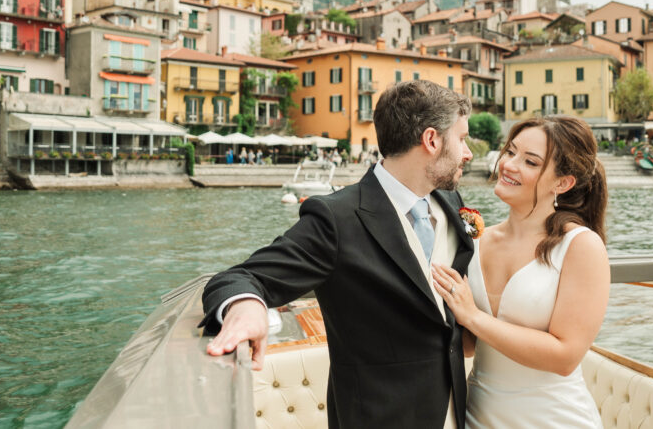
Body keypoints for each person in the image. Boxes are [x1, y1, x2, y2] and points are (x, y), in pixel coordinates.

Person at [202, 80, 474, 428]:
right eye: (462, 139)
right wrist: (247, 305)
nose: (467, 154)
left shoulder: (450, 202)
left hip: (455, 410)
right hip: (378, 417)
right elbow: (239, 278)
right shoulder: (337, 219)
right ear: (432, 140)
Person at [431, 115, 609, 428]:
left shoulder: (581, 246)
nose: (509, 165)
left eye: (530, 161)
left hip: (554, 419)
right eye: (511, 152)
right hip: (477, 416)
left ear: (563, 182)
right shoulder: (476, 240)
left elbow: (565, 357)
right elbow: (470, 345)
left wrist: (472, 315)